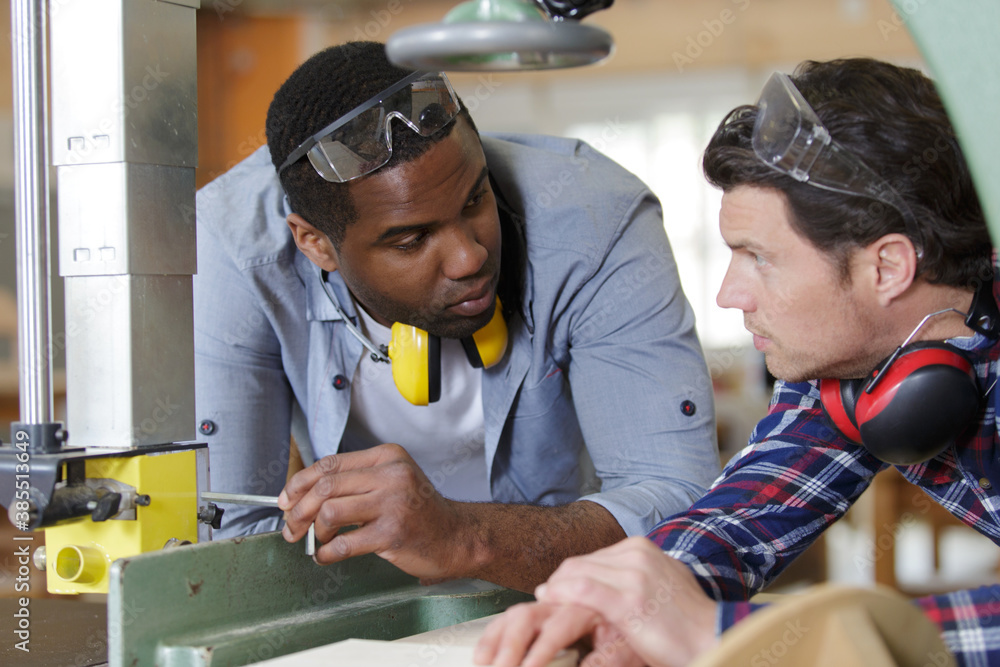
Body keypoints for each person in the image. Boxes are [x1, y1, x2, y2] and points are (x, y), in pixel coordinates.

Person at [474, 57, 1000, 665]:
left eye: (759, 257)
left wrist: (745, 640)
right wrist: (620, 603)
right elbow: (748, 511)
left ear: (885, 267)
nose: (729, 294)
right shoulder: (848, 366)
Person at [192, 41, 719, 592]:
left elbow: (682, 510)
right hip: (364, 604)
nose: (469, 258)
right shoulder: (236, 251)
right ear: (315, 244)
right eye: (412, 239)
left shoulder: (595, 220)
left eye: (475, 200)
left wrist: (462, 537)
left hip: (560, 593)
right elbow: (226, 535)